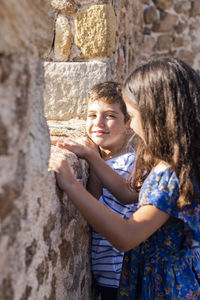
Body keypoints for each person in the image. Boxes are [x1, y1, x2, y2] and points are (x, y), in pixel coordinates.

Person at [50, 58, 200, 299]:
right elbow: (128, 194)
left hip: (166, 288)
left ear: (155, 114)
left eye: (131, 113)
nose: (131, 120)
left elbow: (126, 236)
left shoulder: (172, 172)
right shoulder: (174, 161)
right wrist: (91, 156)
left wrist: (70, 185)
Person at [85, 82, 138, 300]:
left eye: (109, 116)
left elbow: (96, 210)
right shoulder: (110, 160)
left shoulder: (127, 164)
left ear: (128, 124)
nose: (98, 123)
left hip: (117, 275)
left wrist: (94, 160)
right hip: (107, 273)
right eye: (91, 115)